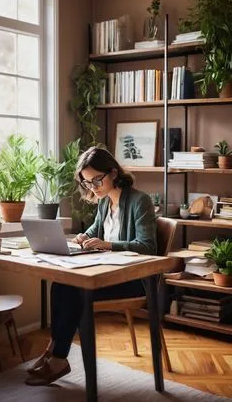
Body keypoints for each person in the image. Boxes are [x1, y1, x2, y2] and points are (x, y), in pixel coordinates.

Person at [25, 146, 156, 386]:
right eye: (87, 183)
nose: (93, 187)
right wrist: (82, 237)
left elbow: (147, 246)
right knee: (60, 283)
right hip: (106, 275)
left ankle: (59, 360)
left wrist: (106, 245)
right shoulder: (105, 203)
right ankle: (54, 348)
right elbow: (94, 231)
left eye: (97, 180)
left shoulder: (140, 201)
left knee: (75, 290)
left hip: (133, 281)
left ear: (113, 173)